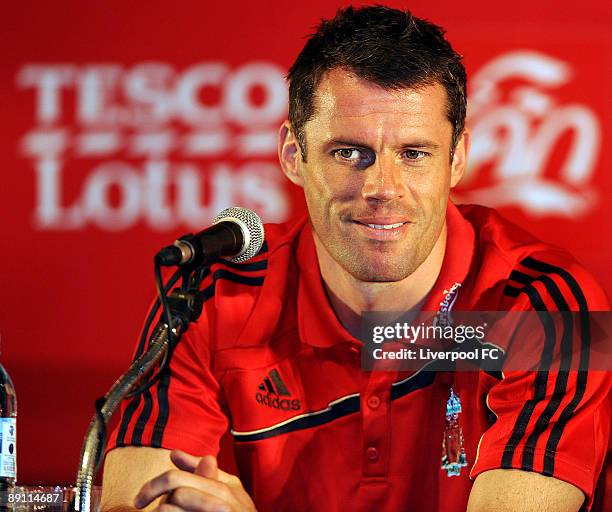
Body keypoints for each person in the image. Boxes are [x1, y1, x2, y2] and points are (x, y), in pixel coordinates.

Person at [100, 5, 610, 512]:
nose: (381, 188)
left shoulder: (548, 303)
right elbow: (138, 502)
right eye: (348, 152)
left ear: (457, 158)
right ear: (292, 154)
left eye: (414, 153)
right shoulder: (213, 293)